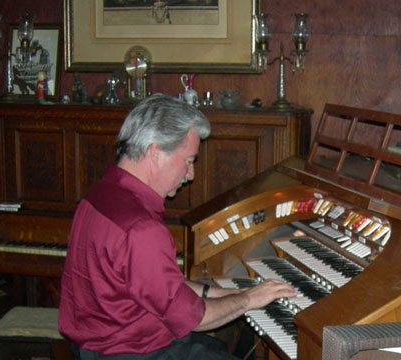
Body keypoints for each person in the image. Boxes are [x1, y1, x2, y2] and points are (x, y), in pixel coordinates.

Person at [58, 94, 296, 359]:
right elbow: (194, 318)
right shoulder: (141, 228)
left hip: (94, 347)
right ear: (156, 152)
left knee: (218, 347)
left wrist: (221, 292)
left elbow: (155, 286)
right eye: (189, 160)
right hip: (131, 353)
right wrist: (250, 300)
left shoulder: (99, 196)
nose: (190, 174)